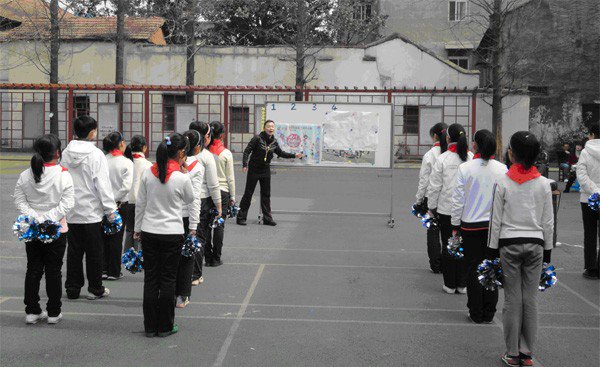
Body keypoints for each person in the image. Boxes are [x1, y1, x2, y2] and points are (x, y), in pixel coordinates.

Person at [488, 131, 554, 367]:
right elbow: (548, 221)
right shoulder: (545, 184)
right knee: (531, 299)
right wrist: (547, 251)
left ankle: (512, 352)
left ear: (511, 153)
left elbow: (495, 220)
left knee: (512, 299)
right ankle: (527, 353)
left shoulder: (502, 182)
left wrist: (491, 250)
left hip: (509, 244)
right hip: (536, 245)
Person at [134, 133, 194, 338]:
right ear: (180, 153)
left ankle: (150, 326)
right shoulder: (181, 177)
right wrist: (185, 171)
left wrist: (136, 230)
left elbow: (140, 204)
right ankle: (165, 326)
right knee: (168, 280)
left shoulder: (148, 174)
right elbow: (191, 198)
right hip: (172, 233)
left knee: (151, 279)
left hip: (149, 231)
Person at [14, 134, 74, 324]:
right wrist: (48, 219)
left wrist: (35, 218)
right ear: (58, 152)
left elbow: (19, 199)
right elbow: (67, 203)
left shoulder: (25, 174)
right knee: (53, 271)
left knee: (33, 270)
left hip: (32, 230)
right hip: (56, 230)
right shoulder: (63, 175)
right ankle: (54, 313)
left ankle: (32, 311)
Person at [451, 129, 507, 323]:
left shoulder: (466, 168)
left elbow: (458, 199)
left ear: (474, 145)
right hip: (494, 226)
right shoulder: (502, 169)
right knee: (492, 267)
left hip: (470, 226)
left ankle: (475, 312)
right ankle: (489, 311)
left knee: (473, 269)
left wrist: (455, 225)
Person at [61, 115, 116, 300]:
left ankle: (72, 288)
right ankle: (95, 288)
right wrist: (110, 210)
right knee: (95, 252)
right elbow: (102, 183)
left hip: (71, 209)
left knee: (74, 252)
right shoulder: (96, 154)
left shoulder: (66, 152)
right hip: (91, 211)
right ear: (92, 132)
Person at [427, 123, 473, 294]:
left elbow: (434, 187)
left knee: (449, 244)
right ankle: (462, 283)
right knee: (463, 246)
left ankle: (450, 284)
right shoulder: (471, 157)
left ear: (448, 138)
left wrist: (432, 207)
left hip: (446, 209)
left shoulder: (443, 158)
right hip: (467, 211)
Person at [237, 120, 303, 226]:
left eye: (272, 127)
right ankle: (241, 217)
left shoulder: (274, 142)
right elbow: (247, 151)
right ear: (264, 128)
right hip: (254, 169)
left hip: (265, 170)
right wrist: (245, 164)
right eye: (268, 126)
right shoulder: (257, 139)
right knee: (248, 194)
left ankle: (267, 219)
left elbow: (281, 153)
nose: (271, 128)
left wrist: (294, 155)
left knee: (266, 195)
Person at [189, 121, 222, 281]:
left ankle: (185, 271)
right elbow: (213, 184)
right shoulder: (206, 156)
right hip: (202, 200)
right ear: (205, 137)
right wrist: (219, 205)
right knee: (199, 237)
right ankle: (195, 274)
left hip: (181, 200)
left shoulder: (180, 151)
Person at [176, 130, 204, 308]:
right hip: (185, 217)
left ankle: (167, 292)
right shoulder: (197, 168)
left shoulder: (161, 166)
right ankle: (182, 295)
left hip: (165, 217)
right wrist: (194, 225)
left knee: (169, 258)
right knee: (186, 259)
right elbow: (194, 199)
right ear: (197, 147)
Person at [414, 122, 448, 273]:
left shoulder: (429, 155)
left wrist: (419, 200)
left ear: (434, 136)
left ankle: (436, 264)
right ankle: (450, 264)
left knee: (432, 232)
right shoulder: (454, 154)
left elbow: (424, 180)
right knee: (449, 232)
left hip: (430, 198)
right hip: (449, 199)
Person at [102, 132, 133, 280]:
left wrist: (107, 200)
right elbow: (126, 187)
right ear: (120, 144)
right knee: (116, 238)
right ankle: (114, 271)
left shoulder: (102, 160)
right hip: (120, 204)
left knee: (103, 237)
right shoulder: (126, 162)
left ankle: (103, 268)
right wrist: (114, 200)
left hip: (102, 204)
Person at [206, 121, 236, 266]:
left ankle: (207, 255)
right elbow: (230, 178)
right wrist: (233, 196)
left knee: (205, 225)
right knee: (219, 225)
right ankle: (216, 258)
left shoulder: (205, 152)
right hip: (222, 190)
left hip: (207, 191)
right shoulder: (226, 153)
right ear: (222, 135)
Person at [576, 122, 600, 279]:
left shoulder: (585, 152)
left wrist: (595, 191)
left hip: (588, 198)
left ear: (591, 134)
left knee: (590, 233)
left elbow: (581, 175)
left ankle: (591, 268)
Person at [123, 135, 152, 251]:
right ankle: (140, 257)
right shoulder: (148, 165)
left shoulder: (127, 162)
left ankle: (128, 257)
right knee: (140, 230)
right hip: (142, 201)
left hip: (127, 200)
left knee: (129, 230)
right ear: (144, 147)